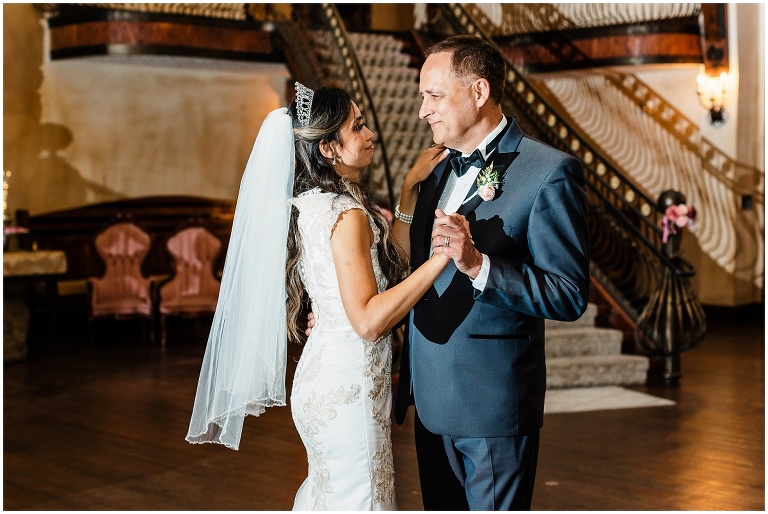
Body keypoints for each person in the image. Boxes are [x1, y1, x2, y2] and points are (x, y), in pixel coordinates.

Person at [186, 83, 451, 510]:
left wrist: (407, 195)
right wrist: (441, 259)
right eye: (358, 127)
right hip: (348, 384)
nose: (369, 136)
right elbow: (367, 320)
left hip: (325, 378)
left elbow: (385, 269)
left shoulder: (315, 202)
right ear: (329, 148)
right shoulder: (345, 214)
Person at [391, 35, 591, 510]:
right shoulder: (433, 172)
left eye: (434, 96)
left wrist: (478, 265)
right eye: (423, 96)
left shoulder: (550, 172)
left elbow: (568, 294)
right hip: (429, 401)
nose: (423, 110)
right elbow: (419, 274)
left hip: (493, 408)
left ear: (478, 93)